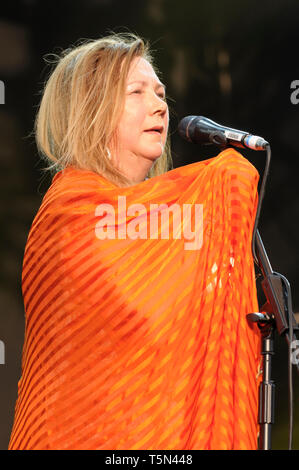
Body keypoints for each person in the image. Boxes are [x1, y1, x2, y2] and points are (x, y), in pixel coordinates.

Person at [9, 33, 262, 450]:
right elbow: (134, 305)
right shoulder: (69, 213)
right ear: (91, 107)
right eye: (137, 92)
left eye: (160, 92)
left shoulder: (169, 225)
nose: (160, 105)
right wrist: (224, 179)